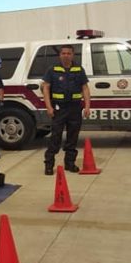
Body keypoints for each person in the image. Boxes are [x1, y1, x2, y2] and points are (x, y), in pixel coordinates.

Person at [42, 45, 91, 175]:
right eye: (63, 53)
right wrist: (49, 106)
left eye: (68, 53)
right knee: (55, 137)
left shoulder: (79, 69)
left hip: (75, 108)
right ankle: (49, 164)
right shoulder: (52, 70)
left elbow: (85, 88)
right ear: (60, 55)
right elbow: (45, 88)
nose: (66, 55)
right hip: (59, 108)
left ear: (73, 55)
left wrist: (87, 106)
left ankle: (70, 163)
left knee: (73, 137)